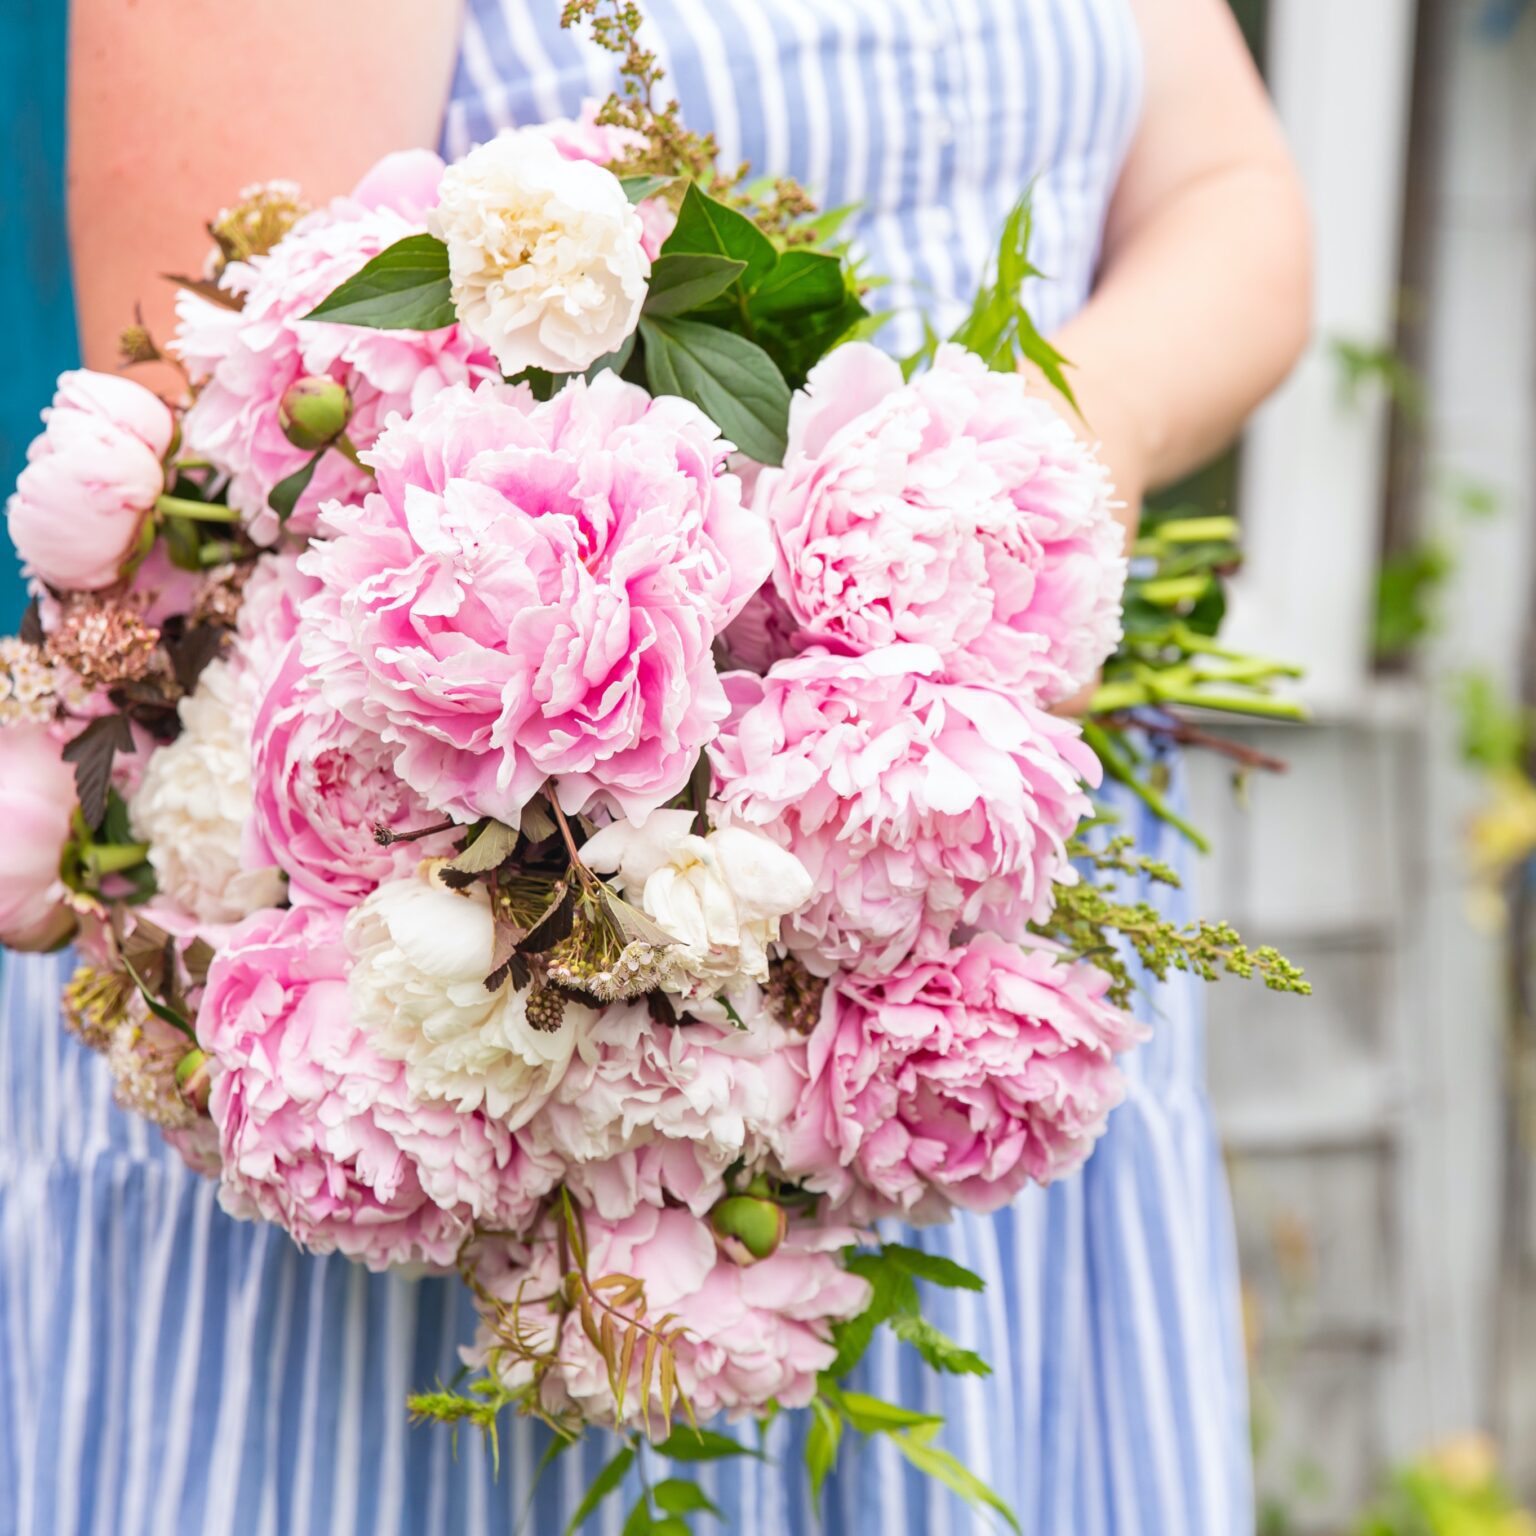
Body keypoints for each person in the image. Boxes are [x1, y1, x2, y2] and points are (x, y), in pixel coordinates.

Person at [1, 1, 1310, 1532]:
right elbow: (249, 470)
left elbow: (1232, 196)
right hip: (536, 1049)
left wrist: (1041, 467)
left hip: (982, 967)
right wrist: (661, 828)